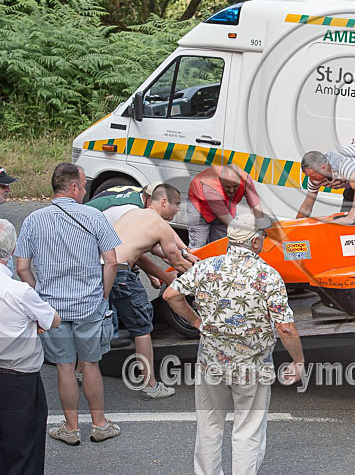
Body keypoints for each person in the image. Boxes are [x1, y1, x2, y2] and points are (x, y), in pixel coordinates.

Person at [163, 213, 305, 475]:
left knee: (209, 425)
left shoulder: (206, 267)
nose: (263, 241)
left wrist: (196, 321)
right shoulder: (268, 276)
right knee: (248, 429)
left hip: (211, 363)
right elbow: (284, 326)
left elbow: (171, 294)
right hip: (252, 366)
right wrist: (298, 361)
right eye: (261, 237)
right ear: (253, 242)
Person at [15, 163, 122, 445]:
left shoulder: (33, 220)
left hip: (53, 308)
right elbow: (111, 261)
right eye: (84, 185)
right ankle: (99, 424)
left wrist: (39, 295)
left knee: (64, 367)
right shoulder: (95, 217)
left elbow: (22, 267)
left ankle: (71, 428)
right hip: (89, 304)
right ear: (73, 187)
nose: (85, 190)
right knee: (90, 365)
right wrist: (103, 295)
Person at [0, 219, 61, 475]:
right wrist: (34, 325)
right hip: (18, 379)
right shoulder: (19, 291)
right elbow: (52, 319)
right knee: (25, 451)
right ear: (13, 248)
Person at [108, 187, 194, 398]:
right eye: (176, 206)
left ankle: (81, 371)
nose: (176, 213)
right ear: (164, 202)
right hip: (120, 274)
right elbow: (176, 262)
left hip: (99, 269)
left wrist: (186, 255)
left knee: (96, 322)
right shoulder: (160, 225)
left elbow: (147, 246)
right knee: (143, 327)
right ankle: (150, 385)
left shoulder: (134, 214)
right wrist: (205, 277)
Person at [187, 164, 263, 247]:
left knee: (220, 244)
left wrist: (259, 228)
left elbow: (255, 206)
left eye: (235, 186)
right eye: (227, 187)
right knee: (198, 244)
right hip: (200, 208)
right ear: (220, 180)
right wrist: (246, 235)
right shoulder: (210, 186)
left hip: (226, 207)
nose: (231, 190)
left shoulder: (246, 180)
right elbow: (228, 220)